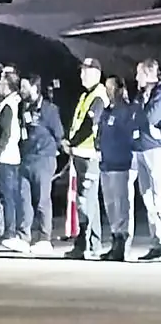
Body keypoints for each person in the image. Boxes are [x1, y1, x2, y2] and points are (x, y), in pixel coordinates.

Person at [64, 58, 108, 260]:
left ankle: (85, 244)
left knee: (85, 200)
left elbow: (89, 125)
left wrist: (72, 142)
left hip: (89, 155)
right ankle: (93, 243)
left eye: (86, 72)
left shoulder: (98, 97)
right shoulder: (86, 95)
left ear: (96, 75)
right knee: (89, 201)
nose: (82, 75)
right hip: (81, 154)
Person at [15, 74, 64, 255]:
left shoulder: (49, 110)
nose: (21, 91)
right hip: (26, 158)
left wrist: (55, 152)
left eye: (25, 87)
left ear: (35, 89)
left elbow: (59, 134)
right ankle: (24, 235)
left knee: (42, 199)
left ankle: (44, 238)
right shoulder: (22, 107)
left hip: (43, 159)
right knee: (24, 198)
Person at [96, 76, 136, 262]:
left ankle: (122, 245)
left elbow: (129, 136)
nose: (108, 91)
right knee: (110, 205)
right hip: (106, 164)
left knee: (122, 205)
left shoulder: (126, 111)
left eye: (111, 87)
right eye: (107, 88)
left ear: (120, 89)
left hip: (121, 164)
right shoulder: (106, 111)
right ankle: (114, 240)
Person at [131, 59, 161, 260]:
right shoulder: (141, 96)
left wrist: (138, 116)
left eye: (139, 73)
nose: (136, 77)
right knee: (148, 198)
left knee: (159, 196)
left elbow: (149, 117)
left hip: (155, 150)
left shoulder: (158, 94)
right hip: (140, 150)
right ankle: (157, 241)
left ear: (149, 73)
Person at [0, 66, 23, 250]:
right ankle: (7, 230)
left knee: (7, 197)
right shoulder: (13, 103)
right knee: (7, 196)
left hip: (6, 157)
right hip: (11, 156)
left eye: (2, 82)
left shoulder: (8, 105)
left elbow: (5, 133)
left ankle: (10, 231)